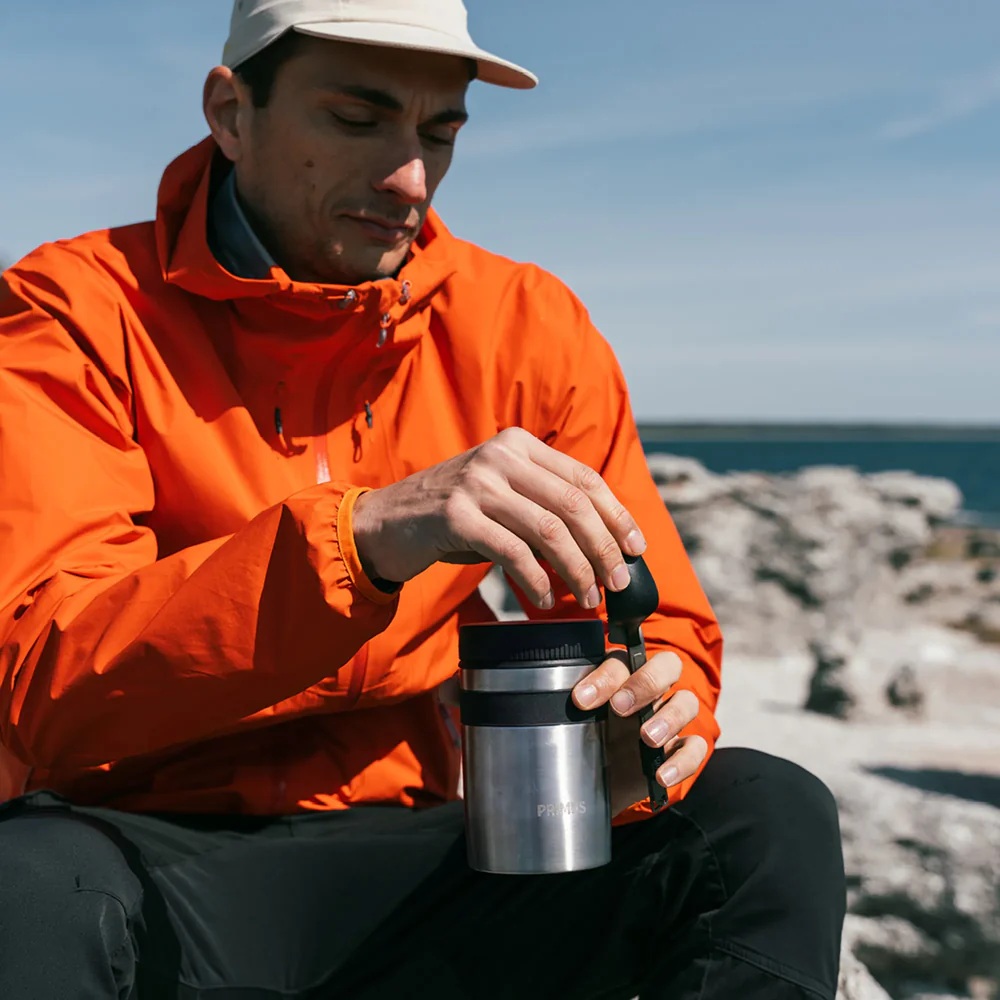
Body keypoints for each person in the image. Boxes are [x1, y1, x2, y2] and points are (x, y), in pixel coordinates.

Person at [0, 1, 846, 996]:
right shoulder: (77, 307)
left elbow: (652, 626)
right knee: (21, 887)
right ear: (230, 112)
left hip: (429, 858)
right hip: (133, 850)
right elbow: (41, 679)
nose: (410, 177)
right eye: (356, 120)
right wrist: (362, 539)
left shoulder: (525, 325)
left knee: (763, 813)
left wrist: (641, 728)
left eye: (439, 132)